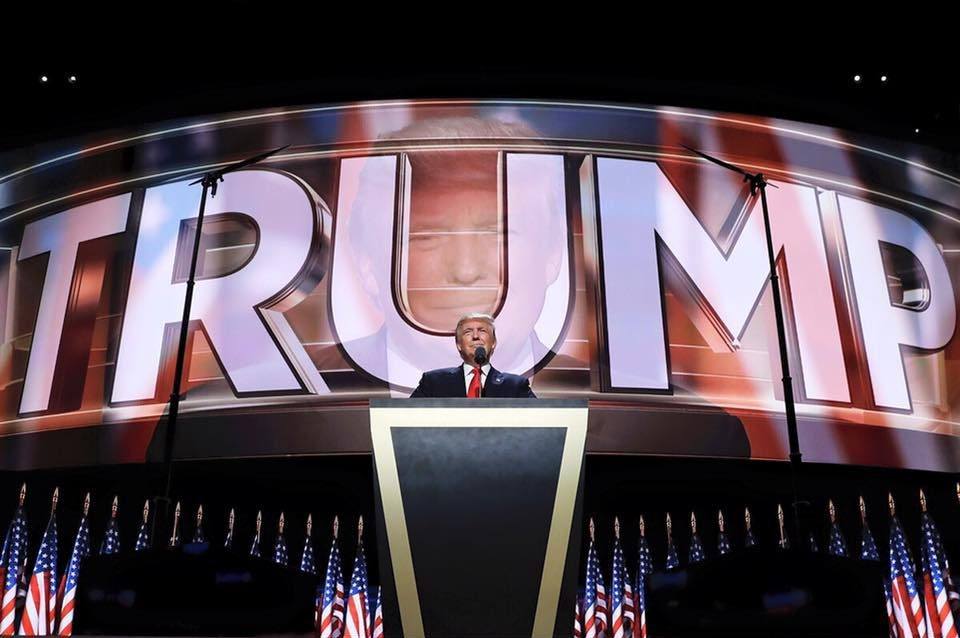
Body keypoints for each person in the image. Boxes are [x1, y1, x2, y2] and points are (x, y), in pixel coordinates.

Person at [409, 313, 535, 398]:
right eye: (468, 332)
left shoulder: (515, 386)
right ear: (459, 344)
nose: (475, 336)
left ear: (493, 343)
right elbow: (406, 417)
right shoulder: (433, 382)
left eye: (482, 331)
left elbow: (539, 419)